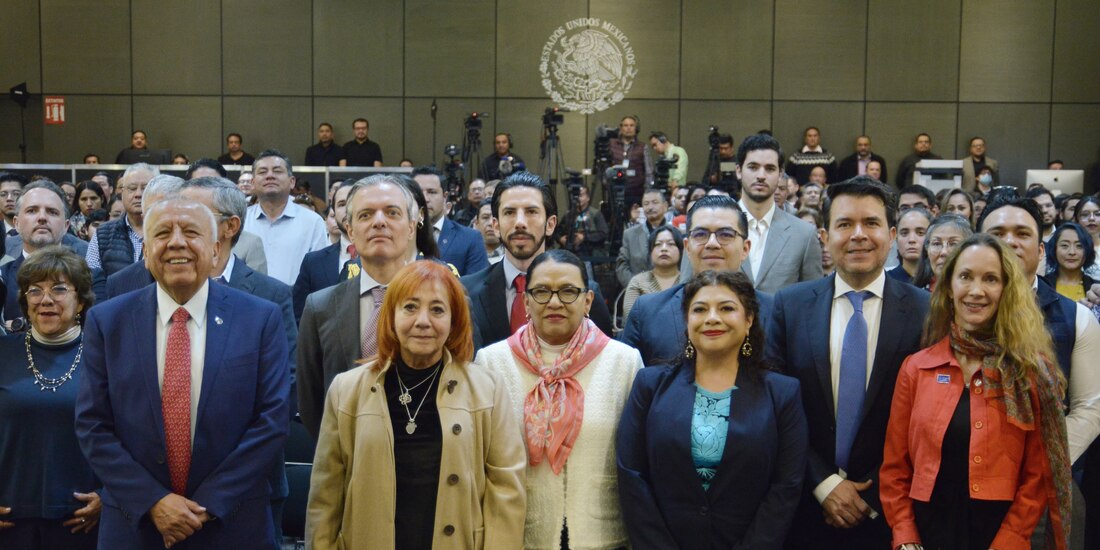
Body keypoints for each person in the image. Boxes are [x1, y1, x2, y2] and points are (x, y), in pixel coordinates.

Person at [75, 197, 290, 549]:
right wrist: (153, 501)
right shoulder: (107, 321)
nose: (177, 242)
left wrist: (210, 502)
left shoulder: (260, 318)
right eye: (162, 233)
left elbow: (272, 420)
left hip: (232, 523)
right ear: (145, 252)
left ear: (216, 249)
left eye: (191, 232)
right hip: (136, 525)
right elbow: (92, 425)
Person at [306, 260, 525, 548]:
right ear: (391, 316)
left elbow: (507, 491)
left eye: (437, 309)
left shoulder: (488, 390)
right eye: (410, 307)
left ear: (454, 320)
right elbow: (326, 497)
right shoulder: (346, 391)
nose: (423, 320)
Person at [767, 176, 931, 550]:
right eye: (844, 224)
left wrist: (869, 494)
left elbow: (927, 418)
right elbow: (776, 407)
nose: (858, 235)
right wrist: (824, 483)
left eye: (871, 223)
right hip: (804, 509)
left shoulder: (926, 311)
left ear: (890, 235)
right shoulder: (789, 306)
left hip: (891, 510)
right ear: (824, 236)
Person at [881, 234, 1070, 550]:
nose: (976, 290)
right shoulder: (916, 368)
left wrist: (1009, 541)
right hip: (926, 534)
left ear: (1006, 290)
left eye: (991, 279)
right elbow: (895, 468)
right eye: (965, 277)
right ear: (949, 287)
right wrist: (904, 535)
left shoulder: (1030, 371)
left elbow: (1037, 476)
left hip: (999, 534)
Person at [617, 270, 808, 548]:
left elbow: (786, 487)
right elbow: (631, 474)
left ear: (749, 320)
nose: (712, 318)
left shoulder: (783, 394)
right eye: (700, 309)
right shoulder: (650, 385)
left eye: (727, 308)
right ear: (687, 320)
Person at [477, 249, 643, 549]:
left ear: (588, 300)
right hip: (521, 536)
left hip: (604, 536)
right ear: (526, 301)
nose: (554, 302)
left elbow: (637, 458)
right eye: (541, 291)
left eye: (568, 291)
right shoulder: (492, 362)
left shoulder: (624, 362)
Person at [978, 196, 1100, 547]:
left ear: (1042, 249)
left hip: (1047, 485)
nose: (1011, 241)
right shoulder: (951, 313)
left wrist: (1038, 463)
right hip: (963, 483)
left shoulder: (1075, 318)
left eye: (1022, 233)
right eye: (997, 233)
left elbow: (1090, 407)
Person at [297, 174, 421, 438]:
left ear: (411, 227)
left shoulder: (446, 302)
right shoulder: (320, 307)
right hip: (348, 460)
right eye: (365, 215)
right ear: (350, 230)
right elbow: (311, 399)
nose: (379, 222)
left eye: (392, 213)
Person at [0, 246, 100, 549]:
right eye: (34, 291)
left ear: (80, 301)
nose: (46, 299)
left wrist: (109, 496)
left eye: (59, 289)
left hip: (82, 519)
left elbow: (131, 434)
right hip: (9, 518)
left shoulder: (105, 355)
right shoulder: (4, 353)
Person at [462, 172, 613, 347]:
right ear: (496, 225)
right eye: (509, 212)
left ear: (550, 225)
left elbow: (603, 360)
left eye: (531, 212)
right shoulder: (467, 291)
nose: (519, 222)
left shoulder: (583, 292)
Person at [622, 195, 774, 365]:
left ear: (745, 248)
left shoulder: (775, 312)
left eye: (725, 234)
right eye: (701, 234)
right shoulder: (648, 311)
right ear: (687, 247)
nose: (712, 243)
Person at [735, 133, 823, 293]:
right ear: (739, 171)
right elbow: (686, 296)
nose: (761, 176)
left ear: (780, 175)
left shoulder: (804, 234)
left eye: (769, 168)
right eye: (753, 167)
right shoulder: (710, 227)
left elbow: (813, 301)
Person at [2, 181, 90, 326]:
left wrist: (19, 325)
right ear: (16, 223)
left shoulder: (90, 276)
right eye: (32, 211)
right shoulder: (2, 278)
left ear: (66, 226)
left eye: (52, 212)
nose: (42, 217)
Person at [243, 149, 329, 286]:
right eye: (262, 172)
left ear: (292, 181)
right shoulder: (241, 221)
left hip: (297, 303)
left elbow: (321, 273)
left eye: (277, 171)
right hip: (248, 302)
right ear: (253, 183)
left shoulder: (312, 222)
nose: (270, 176)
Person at [85, 163, 159, 277]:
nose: (138, 194)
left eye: (145, 188)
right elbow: (92, 277)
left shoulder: (169, 231)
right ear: (122, 193)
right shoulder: (102, 234)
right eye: (132, 188)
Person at [292, 183, 352, 321]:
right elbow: (300, 317)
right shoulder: (313, 262)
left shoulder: (386, 257)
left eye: (353, 202)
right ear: (334, 211)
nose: (349, 209)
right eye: (342, 204)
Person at [412, 166, 488, 276]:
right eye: (418, 192)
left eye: (432, 192)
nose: (425, 199)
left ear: (445, 197)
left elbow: (477, 287)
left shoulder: (470, 238)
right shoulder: (399, 237)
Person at [623, 225, 682, 318]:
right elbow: (631, 320)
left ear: (681, 250)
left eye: (671, 244)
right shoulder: (638, 282)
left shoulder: (688, 281)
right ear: (650, 252)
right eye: (658, 244)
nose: (664, 249)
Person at [617, 188, 669, 287]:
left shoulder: (675, 234)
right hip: (637, 291)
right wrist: (635, 286)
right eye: (646, 204)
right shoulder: (630, 234)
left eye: (655, 202)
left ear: (665, 206)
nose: (650, 207)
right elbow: (622, 265)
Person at [912, 214, 973, 291]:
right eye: (936, 244)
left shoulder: (975, 293)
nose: (944, 252)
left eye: (953, 244)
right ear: (927, 249)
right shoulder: (914, 297)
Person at [1043, 222, 1097, 303]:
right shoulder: (1042, 286)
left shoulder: (1096, 288)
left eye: (1079, 246)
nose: (1072, 252)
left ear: (1087, 250)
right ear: (1054, 249)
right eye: (1064, 245)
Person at [609, 116, 651, 211]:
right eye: (626, 125)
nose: (628, 128)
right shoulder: (611, 145)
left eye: (632, 125)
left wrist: (648, 192)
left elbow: (649, 171)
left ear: (636, 128)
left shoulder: (642, 147)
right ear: (621, 128)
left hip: (636, 193)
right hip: (615, 191)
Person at [555, 185, 609, 257]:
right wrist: (561, 239)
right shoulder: (569, 214)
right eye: (576, 196)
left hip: (590, 253)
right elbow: (557, 231)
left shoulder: (595, 213)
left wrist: (584, 237)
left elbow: (603, 233)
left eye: (581, 195)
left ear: (588, 198)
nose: (578, 199)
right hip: (570, 253)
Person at [887, 207, 933, 285]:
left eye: (920, 233)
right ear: (896, 237)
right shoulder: (885, 281)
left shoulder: (941, 280)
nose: (911, 240)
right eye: (904, 233)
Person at [1073, 196, 1100, 279]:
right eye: (1085, 215)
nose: (1091, 218)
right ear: (1076, 219)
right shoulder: (1070, 248)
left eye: (1097, 214)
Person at [474, 198, 504, 264]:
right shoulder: (468, 255)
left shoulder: (515, 256)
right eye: (485, 217)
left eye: (496, 218)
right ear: (476, 223)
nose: (491, 223)